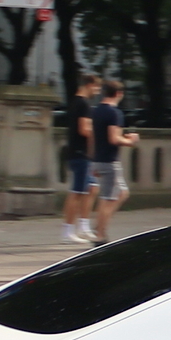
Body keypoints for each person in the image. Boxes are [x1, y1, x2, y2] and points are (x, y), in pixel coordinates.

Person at [86, 79, 138, 242]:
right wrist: (131, 141)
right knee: (108, 198)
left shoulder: (96, 111)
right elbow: (114, 138)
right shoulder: (114, 113)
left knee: (121, 193)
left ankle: (99, 226)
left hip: (98, 159)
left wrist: (92, 158)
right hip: (109, 161)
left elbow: (93, 137)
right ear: (119, 94)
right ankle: (100, 233)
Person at [61, 72, 101, 243]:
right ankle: (68, 230)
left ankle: (83, 226)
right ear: (88, 85)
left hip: (81, 153)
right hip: (80, 153)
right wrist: (96, 132)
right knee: (77, 192)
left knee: (92, 188)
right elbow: (84, 129)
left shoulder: (76, 102)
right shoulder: (83, 104)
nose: (98, 91)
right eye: (96, 87)